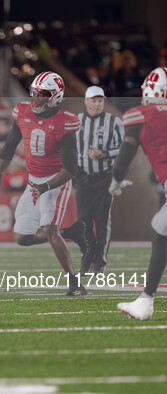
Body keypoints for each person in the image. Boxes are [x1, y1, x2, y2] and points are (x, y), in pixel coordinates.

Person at [0, 71, 86, 296]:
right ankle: (71, 232)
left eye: (43, 95)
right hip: (33, 180)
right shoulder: (22, 111)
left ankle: (74, 283)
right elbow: (9, 148)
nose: (36, 99)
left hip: (56, 181)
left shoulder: (66, 121)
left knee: (50, 230)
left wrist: (44, 188)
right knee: (22, 238)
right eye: (34, 93)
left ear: (56, 96)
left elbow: (71, 170)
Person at [111, 67, 167, 320]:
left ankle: (145, 301)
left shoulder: (140, 114)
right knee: (160, 226)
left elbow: (126, 153)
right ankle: (145, 300)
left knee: (160, 228)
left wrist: (115, 180)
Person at [61, 86, 124, 274]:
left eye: (100, 101)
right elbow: (68, 148)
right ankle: (88, 256)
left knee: (102, 220)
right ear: (86, 101)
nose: (97, 104)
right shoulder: (76, 121)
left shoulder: (114, 122)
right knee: (83, 221)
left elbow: (123, 151)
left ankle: (100, 262)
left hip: (105, 177)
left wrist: (103, 154)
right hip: (83, 178)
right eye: (94, 100)